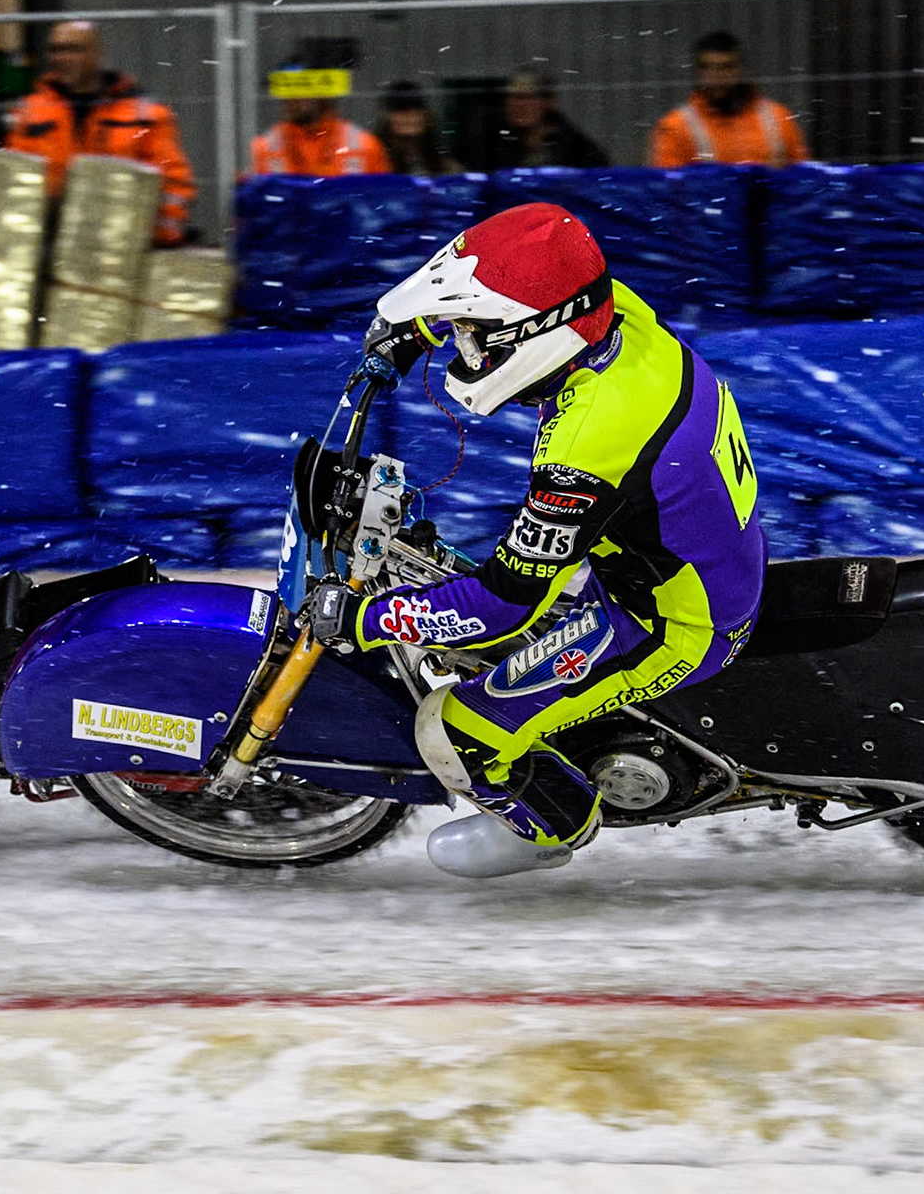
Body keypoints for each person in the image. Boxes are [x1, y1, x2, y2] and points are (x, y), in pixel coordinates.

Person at [308, 203, 767, 878]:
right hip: (683, 549)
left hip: (674, 622)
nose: (467, 350)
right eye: (463, 334)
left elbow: (502, 602)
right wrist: (417, 332)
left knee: (454, 731)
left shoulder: (587, 449)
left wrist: (366, 620)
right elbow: (530, 297)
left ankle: (552, 831)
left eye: (475, 337)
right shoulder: (612, 315)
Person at [3, 19, 198, 247]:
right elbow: (13, 178)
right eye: (56, 50)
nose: (61, 58)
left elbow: (174, 182)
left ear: (95, 54)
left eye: (73, 49)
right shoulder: (29, 113)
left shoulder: (145, 114)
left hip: (122, 245)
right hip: (48, 245)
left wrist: (157, 239)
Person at [648, 31, 808, 168]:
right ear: (697, 72)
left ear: (741, 69)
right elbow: (667, 188)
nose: (717, 76)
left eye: (726, 67)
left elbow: (803, 177)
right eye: (708, 67)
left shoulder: (778, 118)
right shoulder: (676, 127)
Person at [247, 63, 390, 177]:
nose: (292, 98)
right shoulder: (263, 148)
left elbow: (381, 203)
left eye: (303, 87)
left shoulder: (366, 146)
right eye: (287, 90)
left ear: (323, 94)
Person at [464, 72, 609, 172]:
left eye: (525, 97)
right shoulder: (491, 139)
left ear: (548, 102)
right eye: (512, 97)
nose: (517, 105)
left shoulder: (574, 145)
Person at [375, 80, 458, 176]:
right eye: (400, 110)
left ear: (426, 116)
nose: (408, 117)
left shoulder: (446, 167)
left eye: (415, 110)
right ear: (387, 117)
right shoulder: (375, 163)